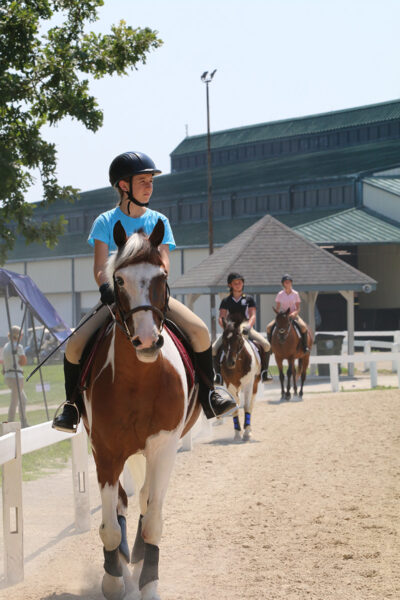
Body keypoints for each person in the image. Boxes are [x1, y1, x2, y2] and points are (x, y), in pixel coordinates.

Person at [52, 151, 236, 433]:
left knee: (200, 332)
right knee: (75, 344)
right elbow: (101, 266)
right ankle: (72, 406)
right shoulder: (105, 221)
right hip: (119, 297)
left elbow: (164, 261)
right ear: (124, 186)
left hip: (153, 297)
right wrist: (107, 288)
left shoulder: (159, 221)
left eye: (151, 181)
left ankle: (211, 393)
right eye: (143, 181)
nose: (150, 186)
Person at [212, 273, 272, 383]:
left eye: (240, 282)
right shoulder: (226, 301)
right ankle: (218, 376)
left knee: (267, 345)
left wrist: (249, 326)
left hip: (245, 326)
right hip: (230, 329)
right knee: (213, 349)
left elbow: (252, 315)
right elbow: (221, 317)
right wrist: (225, 327)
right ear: (230, 285)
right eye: (235, 282)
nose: (239, 284)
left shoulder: (249, 299)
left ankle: (264, 372)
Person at [266, 274, 310, 353]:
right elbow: (278, 308)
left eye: (289, 282)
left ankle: (305, 346)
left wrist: (294, 314)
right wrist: (278, 313)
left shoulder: (295, 294)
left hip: (293, 315)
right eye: (286, 282)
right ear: (283, 284)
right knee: (269, 327)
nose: (288, 284)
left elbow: (298, 308)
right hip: (283, 316)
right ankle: (270, 347)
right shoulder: (280, 294)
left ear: (291, 283)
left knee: (303, 327)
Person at [2, 326, 29, 427]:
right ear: (18, 336)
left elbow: (3, 367)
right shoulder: (18, 347)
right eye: (21, 335)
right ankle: (10, 423)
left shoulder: (6, 346)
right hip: (16, 377)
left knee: (23, 399)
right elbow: (23, 362)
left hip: (8, 376)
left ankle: (23, 422)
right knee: (14, 402)